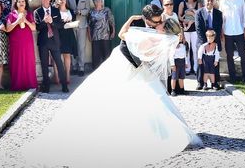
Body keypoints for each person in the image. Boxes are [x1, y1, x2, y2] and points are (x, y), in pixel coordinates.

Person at [24, 15, 201, 168]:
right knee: (152, 99)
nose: (158, 24)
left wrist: (132, 23)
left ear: (165, 29)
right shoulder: (156, 36)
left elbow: (123, 36)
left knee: (153, 99)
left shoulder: (155, 39)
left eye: (162, 23)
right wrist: (133, 22)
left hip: (135, 69)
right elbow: (124, 36)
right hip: (137, 69)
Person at [34, 0, 68, 93]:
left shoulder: (55, 10)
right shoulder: (37, 12)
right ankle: (46, 87)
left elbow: (60, 26)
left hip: (54, 41)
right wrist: (45, 21)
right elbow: (37, 27)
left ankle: (64, 86)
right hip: (43, 42)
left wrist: (52, 22)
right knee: (44, 65)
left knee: (59, 64)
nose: (45, 0)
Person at [6, 0, 38, 91]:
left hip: (27, 42)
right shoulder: (11, 15)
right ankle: (17, 85)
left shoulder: (29, 14)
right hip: (16, 43)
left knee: (28, 62)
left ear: (25, 3)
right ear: (16, 3)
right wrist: (17, 21)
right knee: (17, 63)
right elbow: (8, 29)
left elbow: (33, 28)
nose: (21, 3)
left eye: (23, 1)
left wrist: (26, 21)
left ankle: (30, 83)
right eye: (19, 1)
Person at [220, 0, 245, 83]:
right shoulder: (223, 2)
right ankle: (233, 78)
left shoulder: (241, 1)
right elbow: (222, 18)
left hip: (239, 31)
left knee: (243, 55)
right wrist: (221, 32)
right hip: (227, 32)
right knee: (229, 56)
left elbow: (244, 16)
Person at [195, 0, 223, 89]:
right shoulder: (199, 13)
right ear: (204, 2)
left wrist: (213, 42)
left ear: (213, 2)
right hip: (202, 42)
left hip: (215, 41)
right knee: (201, 63)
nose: (209, 2)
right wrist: (206, 43)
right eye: (207, 1)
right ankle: (200, 82)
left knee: (215, 63)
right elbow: (198, 29)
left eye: (211, 0)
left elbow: (219, 28)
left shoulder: (218, 13)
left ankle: (215, 83)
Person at [66, 0, 90, 76]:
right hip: (71, 24)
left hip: (82, 24)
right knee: (73, 46)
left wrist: (80, 12)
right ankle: (74, 67)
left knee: (81, 47)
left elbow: (87, 9)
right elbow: (66, 8)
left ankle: (81, 67)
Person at [54, 0, 77, 85]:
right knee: (56, 56)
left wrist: (71, 22)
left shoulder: (70, 11)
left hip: (68, 34)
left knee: (67, 55)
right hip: (58, 34)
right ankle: (57, 77)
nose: (62, 1)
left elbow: (73, 20)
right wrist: (62, 22)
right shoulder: (55, 11)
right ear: (57, 1)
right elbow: (54, 23)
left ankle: (67, 76)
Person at [87, 0, 115, 70]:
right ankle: (95, 69)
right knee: (96, 54)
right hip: (95, 36)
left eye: (100, 0)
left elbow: (111, 21)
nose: (100, 2)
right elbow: (89, 24)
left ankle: (108, 69)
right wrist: (89, 35)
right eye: (97, 1)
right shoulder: (91, 11)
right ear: (94, 2)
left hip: (106, 35)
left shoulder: (106, 10)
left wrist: (113, 31)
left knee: (106, 53)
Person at [178, 0, 199, 75]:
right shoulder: (182, 3)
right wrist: (183, 20)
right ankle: (187, 68)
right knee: (186, 49)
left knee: (195, 49)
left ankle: (196, 68)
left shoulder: (198, 4)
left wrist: (192, 13)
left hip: (195, 30)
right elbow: (179, 16)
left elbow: (199, 16)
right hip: (186, 30)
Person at [169, 32, 188, 96]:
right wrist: (172, 64)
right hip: (176, 62)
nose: (180, 38)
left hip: (182, 62)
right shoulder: (173, 46)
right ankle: (173, 90)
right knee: (174, 77)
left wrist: (186, 63)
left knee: (181, 77)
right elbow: (171, 56)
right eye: (179, 37)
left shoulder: (183, 45)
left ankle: (182, 90)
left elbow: (185, 55)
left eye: (181, 37)